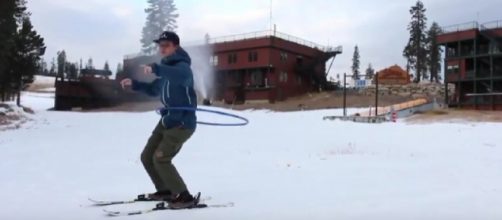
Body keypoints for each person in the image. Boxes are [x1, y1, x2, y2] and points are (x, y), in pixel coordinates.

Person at [120, 31, 198, 209]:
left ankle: (184, 196)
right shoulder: (166, 69)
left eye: (166, 45)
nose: (162, 49)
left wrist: (157, 69)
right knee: (147, 156)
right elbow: (154, 90)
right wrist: (135, 84)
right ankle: (165, 190)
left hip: (182, 123)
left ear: (175, 46)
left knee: (161, 158)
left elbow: (179, 76)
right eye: (160, 46)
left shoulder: (183, 68)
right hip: (167, 119)